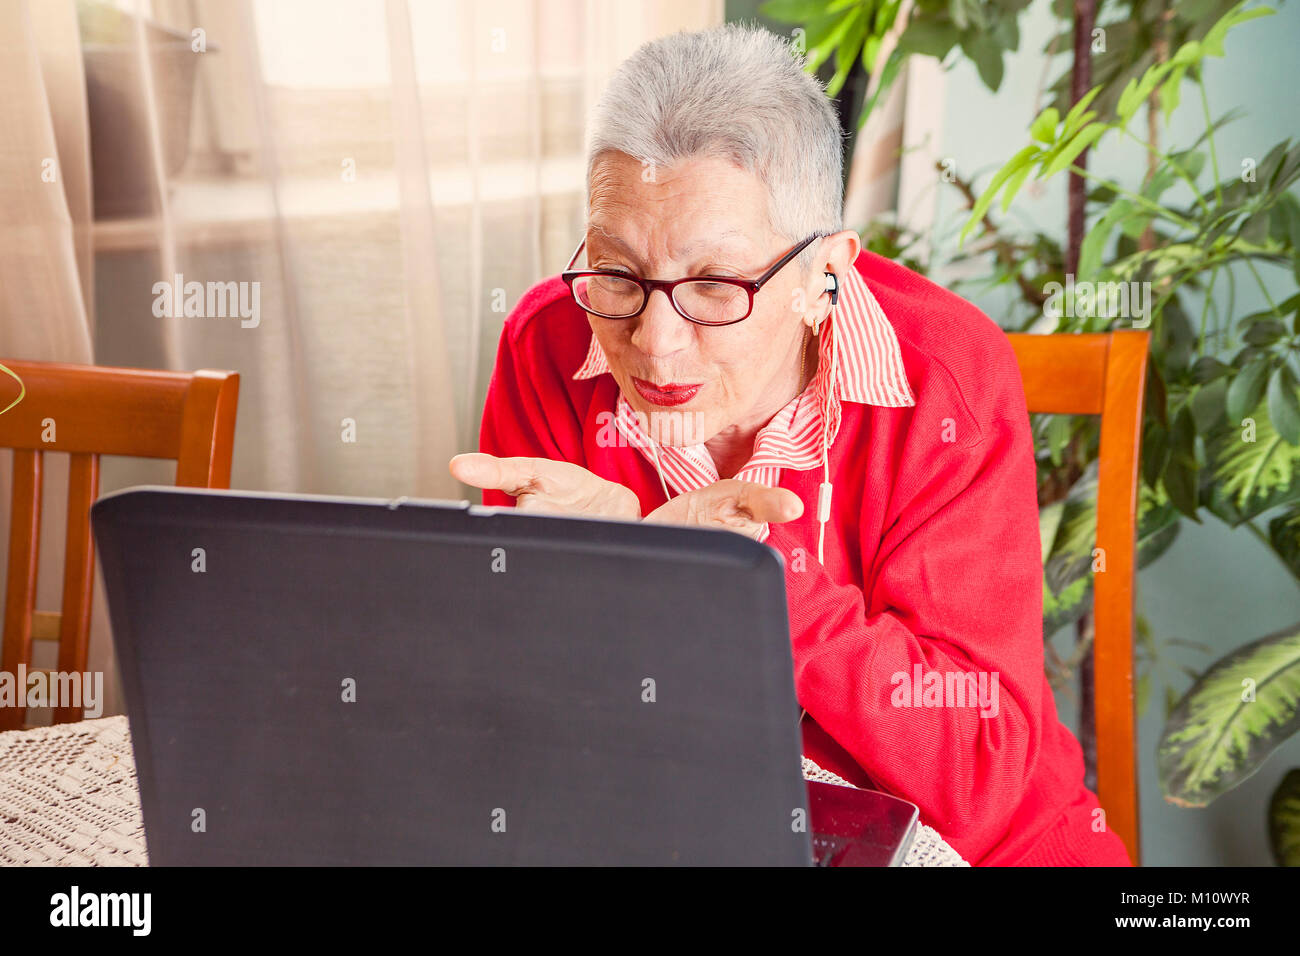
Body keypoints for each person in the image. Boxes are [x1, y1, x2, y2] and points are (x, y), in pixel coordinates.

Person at [449, 22, 1132, 866]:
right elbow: (512, 720)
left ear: (825, 278)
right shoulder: (548, 343)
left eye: (714, 284)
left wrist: (754, 576)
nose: (655, 344)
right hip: (684, 815)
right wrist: (599, 574)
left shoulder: (949, 378)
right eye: (619, 274)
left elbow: (977, 779)